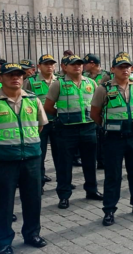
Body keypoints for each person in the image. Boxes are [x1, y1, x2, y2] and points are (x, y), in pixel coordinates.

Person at [90, 55, 133, 226]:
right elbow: (95, 113)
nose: (125, 70)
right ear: (112, 70)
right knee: (113, 175)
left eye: (128, 67)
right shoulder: (103, 88)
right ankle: (109, 210)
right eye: (120, 67)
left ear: (132, 69)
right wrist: (108, 126)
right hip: (114, 138)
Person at [0, 63, 49, 253]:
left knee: (33, 199)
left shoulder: (33, 99)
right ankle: (4, 240)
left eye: (19, 75)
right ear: (1, 78)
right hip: (5, 160)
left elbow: (40, 126)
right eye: (10, 75)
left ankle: (32, 233)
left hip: (31, 158)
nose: (16, 78)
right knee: (4, 202)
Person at [44, 55, 103, 210]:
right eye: (73, 64)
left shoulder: (91, 83)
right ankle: (64, 195)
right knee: (65, 164)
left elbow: (98, 104)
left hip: (88, 128)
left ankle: (91, 190)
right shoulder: (59, 84)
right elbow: (48, 106)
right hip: (66, 129)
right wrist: (61, 115)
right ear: (65, 67)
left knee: (90, 162)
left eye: (79, 64)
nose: (77, 67)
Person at [22, 54, 58, 188]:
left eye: (52, 64)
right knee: (40, 154)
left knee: (60, 154)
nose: (49, 67)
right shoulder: (31, 81)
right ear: (39, 66)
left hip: (56, 121)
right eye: (46, 64)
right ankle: (39, 183)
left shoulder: (59, 80)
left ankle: (62, 182)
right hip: (40, 123)